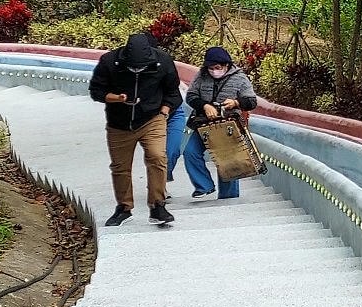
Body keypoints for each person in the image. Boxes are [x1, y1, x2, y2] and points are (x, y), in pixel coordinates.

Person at [88, 29, 183, 226]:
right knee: (120, 167)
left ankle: (158, 205)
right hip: (119, 123)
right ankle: (124, 207)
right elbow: (96, 91)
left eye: (141, 68)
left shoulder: (163, 62)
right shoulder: (109, 62)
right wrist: (117, 98)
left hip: (152, 118)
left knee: (157, 157)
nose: (137, 71)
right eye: (133, 68)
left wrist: (164, 112)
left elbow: (173, 93)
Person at [184, 46, 258, 201]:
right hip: (204, 124)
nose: (214, 71)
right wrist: (204, 105)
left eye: (217, 68)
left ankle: (228, 198)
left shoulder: (239, 78)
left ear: (226, 65)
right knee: (190, 152)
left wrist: (236, 102)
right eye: (211, 68)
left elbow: (251, 101)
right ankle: (203, 185)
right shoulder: (201, 76)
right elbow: (190, 96)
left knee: (227, 161)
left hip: (228, 125)